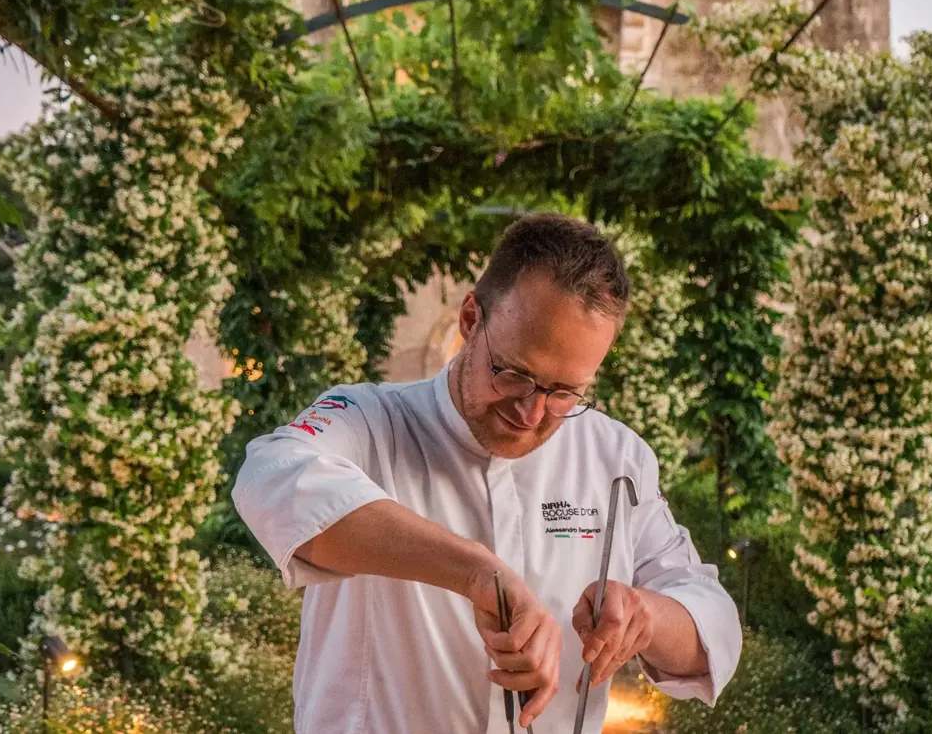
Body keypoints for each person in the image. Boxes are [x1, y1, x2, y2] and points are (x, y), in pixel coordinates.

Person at [232, 213, 742, 734]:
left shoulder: (616, 457)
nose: (532, 412)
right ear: (471, 319)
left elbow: (710, 619)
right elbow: (272, 476)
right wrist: (478, 573)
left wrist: (644, 616)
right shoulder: (369, 422)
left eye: (564, 392)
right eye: (514, 374)